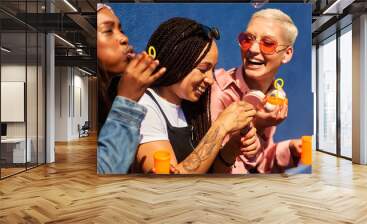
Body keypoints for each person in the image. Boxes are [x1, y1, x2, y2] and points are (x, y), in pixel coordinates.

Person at [134, 17, 256, 174]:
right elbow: (168, 185)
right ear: (176, 60)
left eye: (213, 70)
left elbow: (212, 174)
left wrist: (231, 149)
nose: (211, 80)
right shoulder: (145, 108)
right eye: (204, 69)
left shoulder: (189, 105)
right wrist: (221, 127)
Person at [211, 9, 302, 173]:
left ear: (287, 54)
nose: (252, 49)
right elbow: (218, 166)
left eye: (267, 43)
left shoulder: (274, 95)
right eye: (247, 39)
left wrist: (291, 149)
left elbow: (257, 162)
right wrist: (256, 124)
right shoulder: (220, 90)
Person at [96, 4, 166, 174]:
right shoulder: (119, 97)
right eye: (108, 31)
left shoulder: (111, 96)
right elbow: (105, 172)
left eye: (121, 30)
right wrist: (127, 101)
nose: (123, 39)